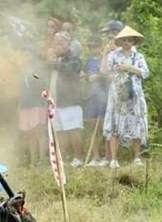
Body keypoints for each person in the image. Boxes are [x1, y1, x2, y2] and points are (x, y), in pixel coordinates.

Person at [103, 26, 150, 168]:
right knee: (115, 124)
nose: (126, 42)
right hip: (117, 95)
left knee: (136, 124)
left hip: (134, 95)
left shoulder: (138, 56)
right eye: (124, 39)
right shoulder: (113, 55)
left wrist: (128, 67)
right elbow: (104, 71)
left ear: (134, 41)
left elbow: (146, 73)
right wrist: (105, 54)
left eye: (129, 39)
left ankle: (136, 157)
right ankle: (113, 159)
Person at [51, 31, 84, 167]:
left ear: (68, 44)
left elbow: (69, 70)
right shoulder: (56, 60)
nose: (58, 46)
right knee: (60, 132)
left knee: (74, 130)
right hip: (56, 101)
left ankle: (78, 159)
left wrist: (53, 63)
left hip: (71, 101)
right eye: (56, 43)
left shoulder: (74, 58)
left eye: (61, 43)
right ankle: (62, 159)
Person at [82, 36, 109, 166]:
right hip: (93, 95)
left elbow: (109, 74)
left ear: (100, 45)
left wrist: (98, 76)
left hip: (105, 95)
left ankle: (107, 156)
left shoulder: (107, 58)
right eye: (90, 46)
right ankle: (95, 156)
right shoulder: (89, 61)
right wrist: (87, 77)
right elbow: (87, 75)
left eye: (95, 46)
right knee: (93, 126)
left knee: (106, 127)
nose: (93, 49)